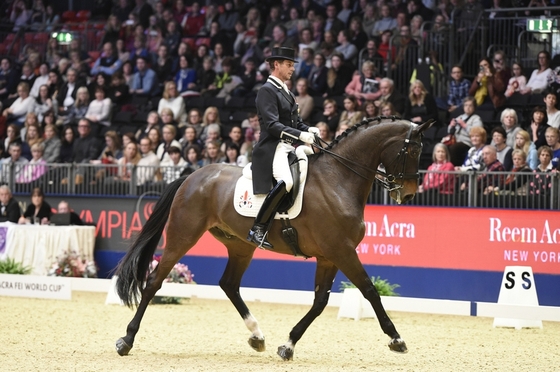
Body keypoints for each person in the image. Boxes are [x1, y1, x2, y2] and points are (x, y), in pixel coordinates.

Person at [247, 47, 318, 249]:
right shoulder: (266, 91)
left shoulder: (287, 92)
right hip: (273, 147)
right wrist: (300, 135)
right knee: (286, 181)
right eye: (289, 65)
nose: (292, 69)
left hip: (289, 147)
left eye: (293, 65)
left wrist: (310, 130)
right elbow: (272, 125)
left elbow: (296, 124)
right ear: (276, 65)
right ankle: (257, 229)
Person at [447, 97, 483, 166]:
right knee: (441, 147)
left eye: (470, 105)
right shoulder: (460, 117)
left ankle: (453, 169)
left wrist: (464, 125)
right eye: (466, 105)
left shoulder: (476, 119)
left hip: (467, 143)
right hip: (455, 141)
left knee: (453, 148)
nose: (468, 107)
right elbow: (449, 131)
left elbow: (477, 133)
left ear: (474, 107)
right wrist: (451, 126)